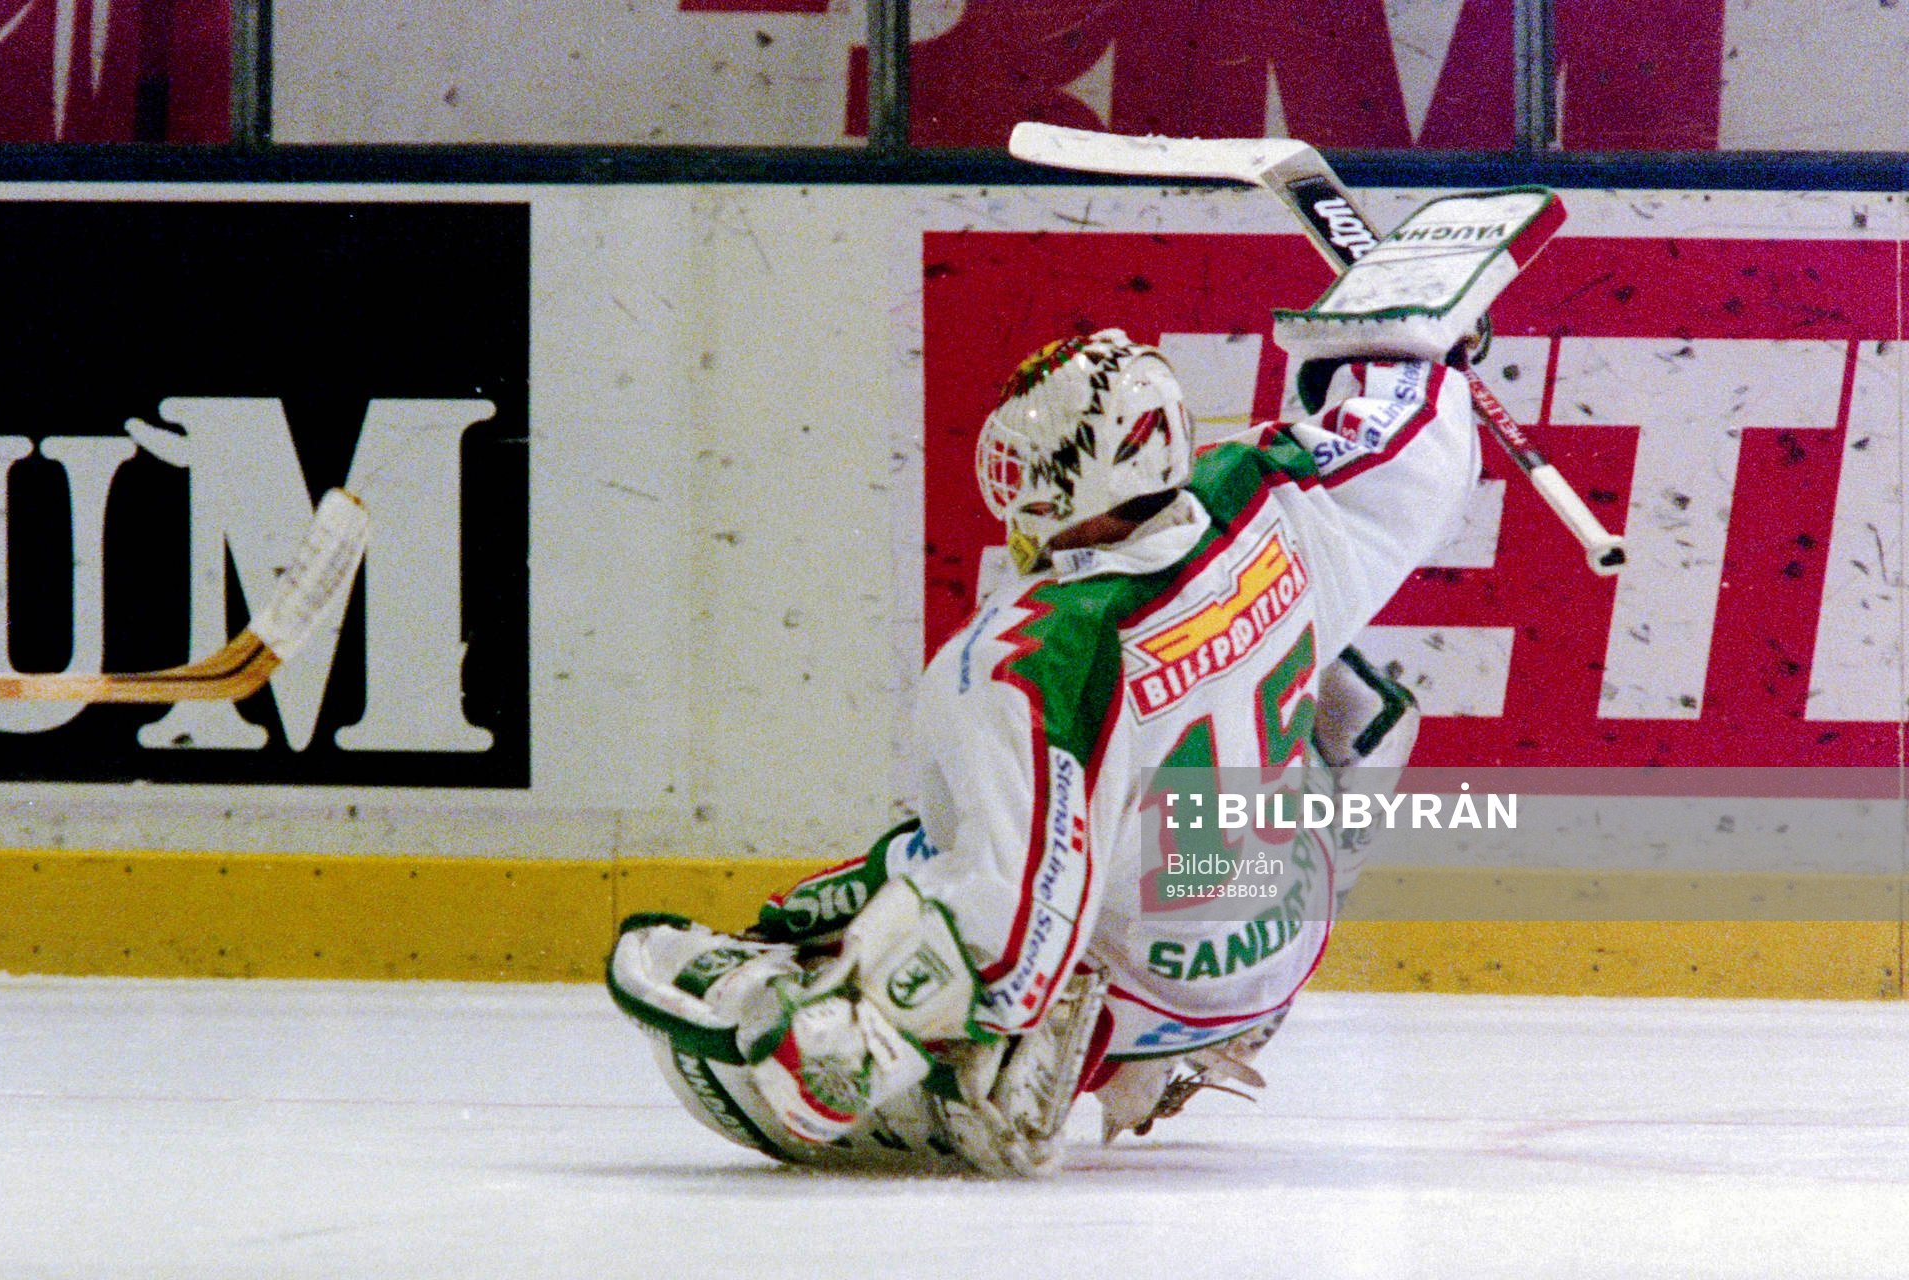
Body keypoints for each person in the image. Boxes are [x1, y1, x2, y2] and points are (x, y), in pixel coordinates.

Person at [609, 292, 1483, 1174]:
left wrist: (864, 1027)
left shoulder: (1032, 653)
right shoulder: (1263, 494)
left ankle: (1071, 1046)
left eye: (1030, 469)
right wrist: (1411, 345)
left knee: (942, 896)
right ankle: (1213, 1013)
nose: (1017, 496)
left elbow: (1014, 929)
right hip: (1287, 928)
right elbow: (1421, 439)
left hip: (1153, 975)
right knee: (1359, 704)